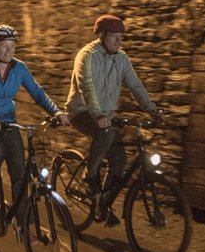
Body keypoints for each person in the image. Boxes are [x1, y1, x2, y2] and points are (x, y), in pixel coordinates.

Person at [66, 14, 163, 225]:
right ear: (101, 36)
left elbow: (136, 86)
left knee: (119, 159)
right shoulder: (87, 56)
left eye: (121, 37)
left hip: (106, 116)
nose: (119, 42)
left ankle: (103, 204)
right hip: (82, 111)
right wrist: (99, 114)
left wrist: (153, 111)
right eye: (114, 37)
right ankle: (89, 175)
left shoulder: (122, 58)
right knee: (107, 132)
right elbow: (88, 88)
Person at [0, 25, 68, 213]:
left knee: (19, 173)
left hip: (7, 121)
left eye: (12, 46)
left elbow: (37, 92)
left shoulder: (19, 68)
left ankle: (24, 223)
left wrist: (56, 111)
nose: (9, 50)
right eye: (4, 45)